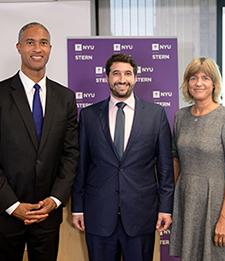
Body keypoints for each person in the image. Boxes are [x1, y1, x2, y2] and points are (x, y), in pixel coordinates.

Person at [72, 53, 174, 261]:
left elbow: (165, 168)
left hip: (141, 214)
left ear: (135, 78)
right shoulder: (89, 115)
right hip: (98, 213)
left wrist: (165, 208)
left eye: (128, 74)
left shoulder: (156, 115)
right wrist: (77, 207)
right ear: (107, 77)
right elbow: (81, 165)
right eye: (116, 73)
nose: (122, 79)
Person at [0, 22, 79, 261]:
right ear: (19, 47)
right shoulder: (1, 95)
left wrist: (55, 200)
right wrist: (13, 205)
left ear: (50, 49)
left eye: (43, 42)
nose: (37, 48)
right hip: (6, 213)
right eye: (30, 42)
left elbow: (71, 153)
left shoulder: (65, 97)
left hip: (47, 215)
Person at [169, 57, 225, 260]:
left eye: (205, 78)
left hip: (215, 203)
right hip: (186, 200)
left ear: (214, 84)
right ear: (187, 83)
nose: (199, 83)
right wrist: (170, 205)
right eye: (193, 78)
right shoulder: (180, 117)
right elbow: (176, 160)